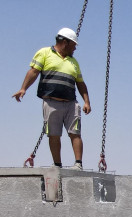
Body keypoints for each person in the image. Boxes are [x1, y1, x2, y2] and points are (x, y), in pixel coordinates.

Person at [13, 28, 91, 169]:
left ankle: (78, 164)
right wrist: (23, 88)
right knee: (53, 134)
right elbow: (34, 72)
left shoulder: (74, 62)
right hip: (51, 102)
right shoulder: (45, 53)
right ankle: (57, 164)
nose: (75, 48)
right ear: (65, 42)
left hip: (71, 103)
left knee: (75, 133)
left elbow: (80, 83)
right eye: (74, 45)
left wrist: (86, 101)